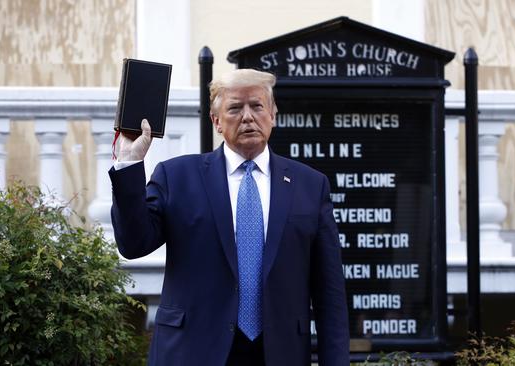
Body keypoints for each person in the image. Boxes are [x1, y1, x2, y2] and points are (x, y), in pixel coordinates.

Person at [109, 69, 349, 365]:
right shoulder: (177, 177)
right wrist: (130, 164)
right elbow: (133, 244)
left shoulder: (310, 185)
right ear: (217, 121)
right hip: (193, 351)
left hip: (279, 352)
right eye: (235, 108)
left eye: (257, 106)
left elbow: (330, 296)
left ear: (273, 114)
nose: (247, 116)